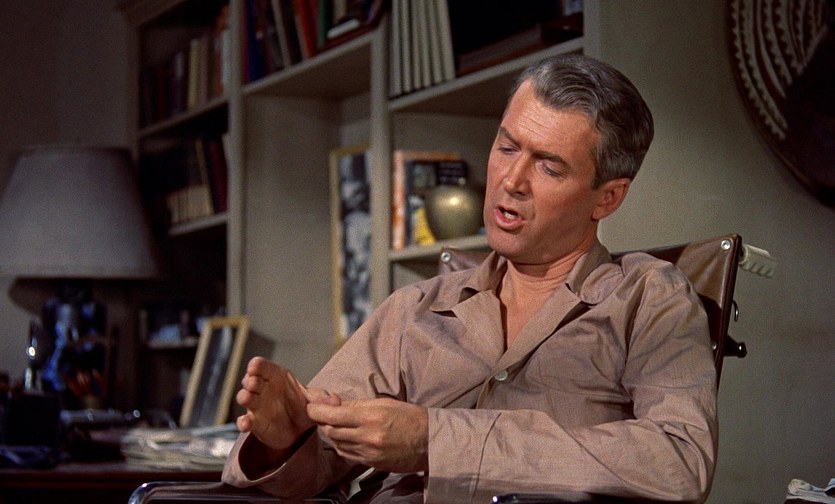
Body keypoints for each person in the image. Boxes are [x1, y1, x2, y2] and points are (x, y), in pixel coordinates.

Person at [222, 53, 717, 503]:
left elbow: (679, 460)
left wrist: (434, 441)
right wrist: (282, 442)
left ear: (607, 198)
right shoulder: (416, 309)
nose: (511, 181)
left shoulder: (649, 298)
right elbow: (309, 468)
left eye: (549, 167)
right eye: (507, 147)